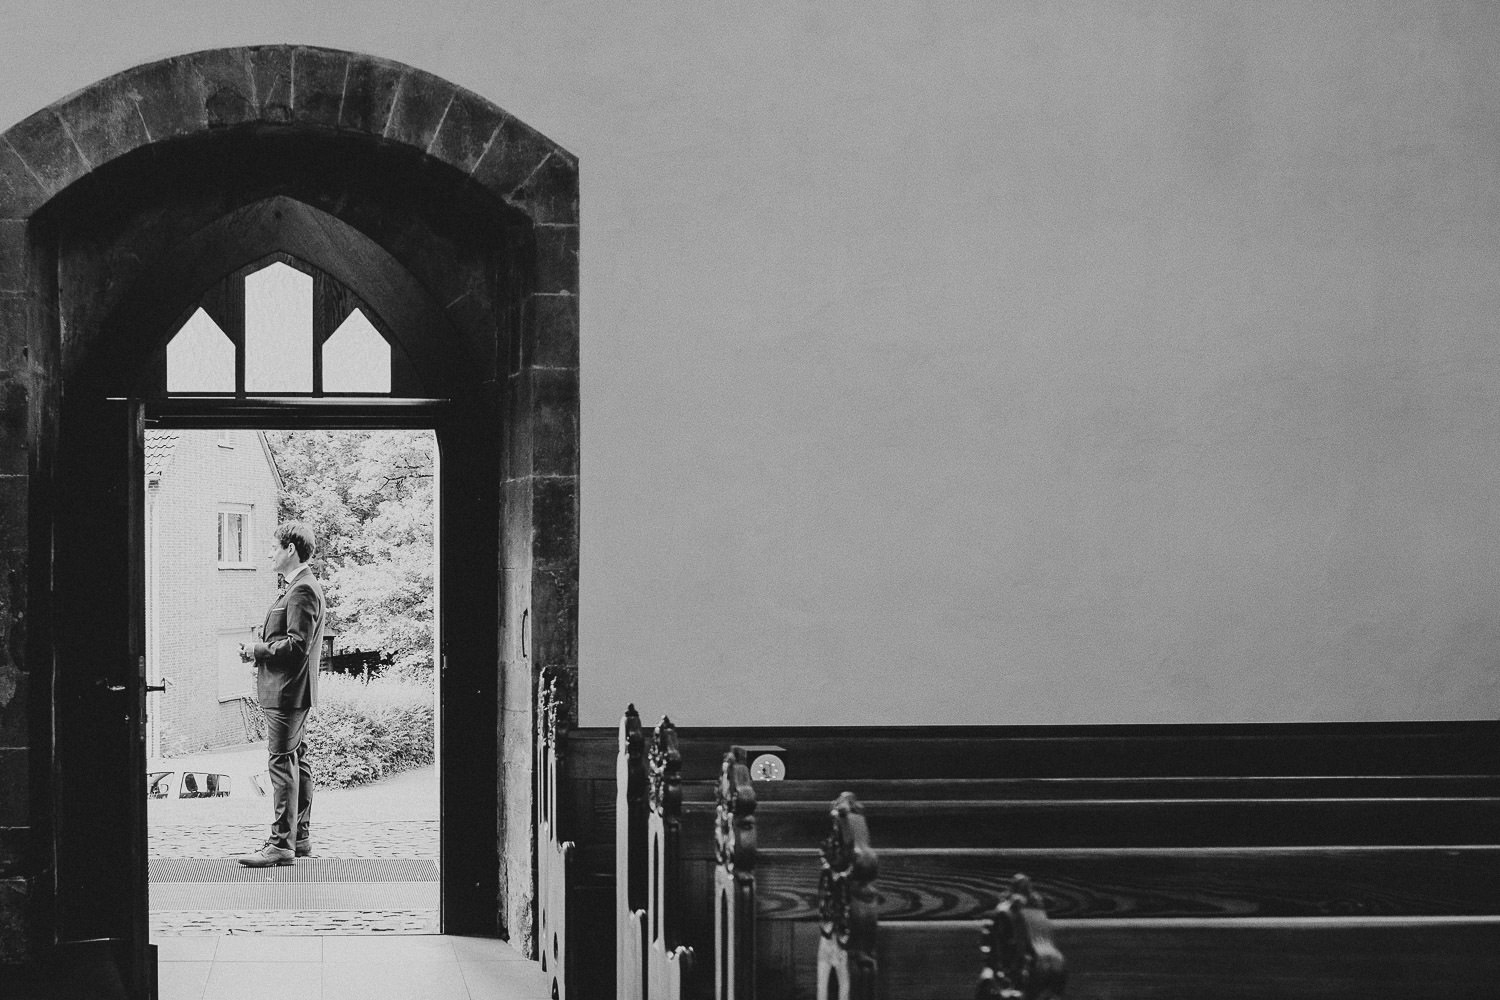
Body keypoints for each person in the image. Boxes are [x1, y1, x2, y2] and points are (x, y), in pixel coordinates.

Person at [236, 521, 325, 867]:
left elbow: (297, 646)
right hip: (293, 692)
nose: (269, 553)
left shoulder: (301, 589)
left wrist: (257, 649)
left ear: (290, 549)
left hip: (287, 693)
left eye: (274, 547)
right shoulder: (300, 586)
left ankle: (280, 844)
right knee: (297, 761)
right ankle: (299, 838)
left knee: (281, 762)